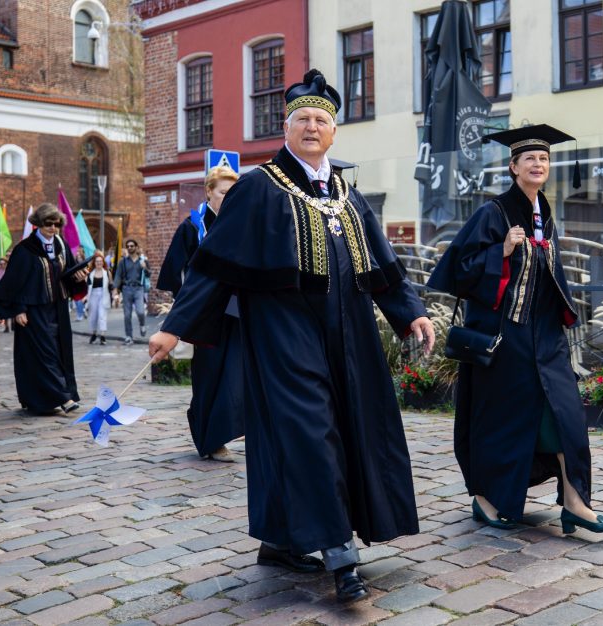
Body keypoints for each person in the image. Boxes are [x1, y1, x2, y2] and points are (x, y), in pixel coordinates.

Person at [149, 69, 435, 604]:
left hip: (348, 332)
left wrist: (410, 312)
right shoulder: (258, 187)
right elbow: (214, 266)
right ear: (286, 127)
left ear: (334, 131)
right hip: (284, 333)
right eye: (301, 118)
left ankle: (281, 539)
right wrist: (175, 328)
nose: (311, 126)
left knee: (348, 427)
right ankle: (339, 553)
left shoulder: (348, 193)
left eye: (321, 119)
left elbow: (381, 263)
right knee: (310, 431)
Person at [427, 124, 603, 535]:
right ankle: (485, 497)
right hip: (505, 340)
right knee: (501, 422)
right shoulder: (493, 213)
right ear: (514, 167)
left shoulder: (544, 216)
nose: (538, 164)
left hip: (545, 339)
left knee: (567, 416)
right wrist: (502, 250)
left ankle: (575, 502)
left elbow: (550, 276)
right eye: (529, 158)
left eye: (544, 158)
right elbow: (457, 273)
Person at [158, 166, 243, 463]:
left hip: (236, 312)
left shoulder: (237, 226)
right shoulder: (192, 227)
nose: (228, 198)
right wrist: (186, 308)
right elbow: (173, 271)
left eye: (233, 193)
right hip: (206, 314)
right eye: (222, 192)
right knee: (208, 375)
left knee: (235, 373)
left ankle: (228, 427)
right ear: (208, 192)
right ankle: (210, 439)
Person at [0, 203, 89, 415]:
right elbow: (14, 282)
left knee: (60, 350)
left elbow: (70, 274)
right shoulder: (24, 249)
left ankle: (45, 399)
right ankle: (64, 398)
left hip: (59, 308)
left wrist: (80, 278)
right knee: (45, 354)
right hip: (34, 310)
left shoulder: (61, 245)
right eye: (48, 224)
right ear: (37, 224)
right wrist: (18, 309)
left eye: (56, 224)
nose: (53, 228)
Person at [113, 239, 150, 345]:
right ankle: (129, 336)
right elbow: (118, 276)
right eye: (128, 246)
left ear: (136, 247)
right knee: (127, 315)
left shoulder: (142, 261)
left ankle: (142, 325)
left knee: (140, 311)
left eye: (132, 246)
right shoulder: (123, 262)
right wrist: (115, 289)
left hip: (139, 289)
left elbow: (148, 275)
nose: (129, 248)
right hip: (126, 289)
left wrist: (145, 268)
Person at [86, 252, 111, 345]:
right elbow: (87, 286)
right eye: (97, 261)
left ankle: (103, 335)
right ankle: (93, 333)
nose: (99, 263)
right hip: (93, 295)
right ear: (94, 263)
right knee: (93, 316)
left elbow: (111, 285)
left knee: (102, 315)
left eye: (100, 261)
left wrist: (115, 294)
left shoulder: (107, 273)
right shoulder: (90, 274)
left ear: (103, 262)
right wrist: (85, 297)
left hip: (103, 295)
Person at [73, 247, 87, 321]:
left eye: (79, 256)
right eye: (77, 255)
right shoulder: (73, 262)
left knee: (79, 299)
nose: (78, 256)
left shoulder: (85, 263)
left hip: (82, 283)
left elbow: (87, 273)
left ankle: (80, 315)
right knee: (77, 300)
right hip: (75, 283)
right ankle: (83, 310)